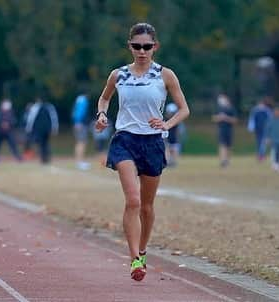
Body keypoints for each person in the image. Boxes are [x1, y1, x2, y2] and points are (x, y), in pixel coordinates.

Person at [95, 22, 189, 281]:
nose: (142, 51)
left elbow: (184, 109)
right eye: (137, 46)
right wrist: (102, 115)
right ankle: (135, 258)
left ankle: (144, 250)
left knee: (146, 207)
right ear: (130, 47)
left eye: (147, 46)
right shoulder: (119, 75)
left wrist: (166, 124)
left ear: (155, 47)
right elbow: (104, 98)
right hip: (125, 140)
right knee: (133, 200)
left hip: (152, 143)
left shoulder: (165, 75)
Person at [25, 97, 59, 164]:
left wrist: (28, 128)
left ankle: (43, 158)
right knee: (45, 143)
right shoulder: (50, 106)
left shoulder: (36, 107)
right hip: (47, 128)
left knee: (41, 143)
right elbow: (54, 118)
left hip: (39, 129)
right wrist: (55, 127)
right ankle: (46, 157)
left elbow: (31, 118)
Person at [212, 93, 238, 168]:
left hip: (229, 130)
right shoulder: (219, 109)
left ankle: (227, 160)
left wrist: (226, 118)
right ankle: (222, 161)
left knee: (229, 146)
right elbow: (214, 118)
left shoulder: (231, 108)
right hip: (221, 129)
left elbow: (235, 120)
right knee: (222, 145)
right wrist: (219, 118)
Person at [247, 96, 273, 162]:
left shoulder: (267, 110)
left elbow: (271, 119)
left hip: (265, 129)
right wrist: (251, 128)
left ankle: (261, 156)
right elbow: (252, 119)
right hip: (258, 129)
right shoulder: (255, 110)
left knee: (263, 143)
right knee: (259, 142)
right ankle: (260, 155)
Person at [72, 93, 91, 170]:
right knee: (82, 142)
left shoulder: (78, 99)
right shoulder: (83, 100)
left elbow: (74, 112)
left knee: (79, 142)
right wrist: (78, 122)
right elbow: (80, 112)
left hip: (78, 123)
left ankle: (78, 161)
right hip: (81, 124)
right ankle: (80, 162)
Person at [164, 102, 182, 167]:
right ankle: (168, 161)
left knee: (174, 149)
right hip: (167, 137)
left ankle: (173, 162)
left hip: (174, 137)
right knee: (167, 149)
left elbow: (178, 131)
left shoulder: (177, 120)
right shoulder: (165, 120)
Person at [265, 104, 279, 172]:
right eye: (275, 111)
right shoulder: (271, 120)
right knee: (275, 152)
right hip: (274, 139)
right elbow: (267, 130)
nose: (276, 113)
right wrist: (267, 138)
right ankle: (275, 165)